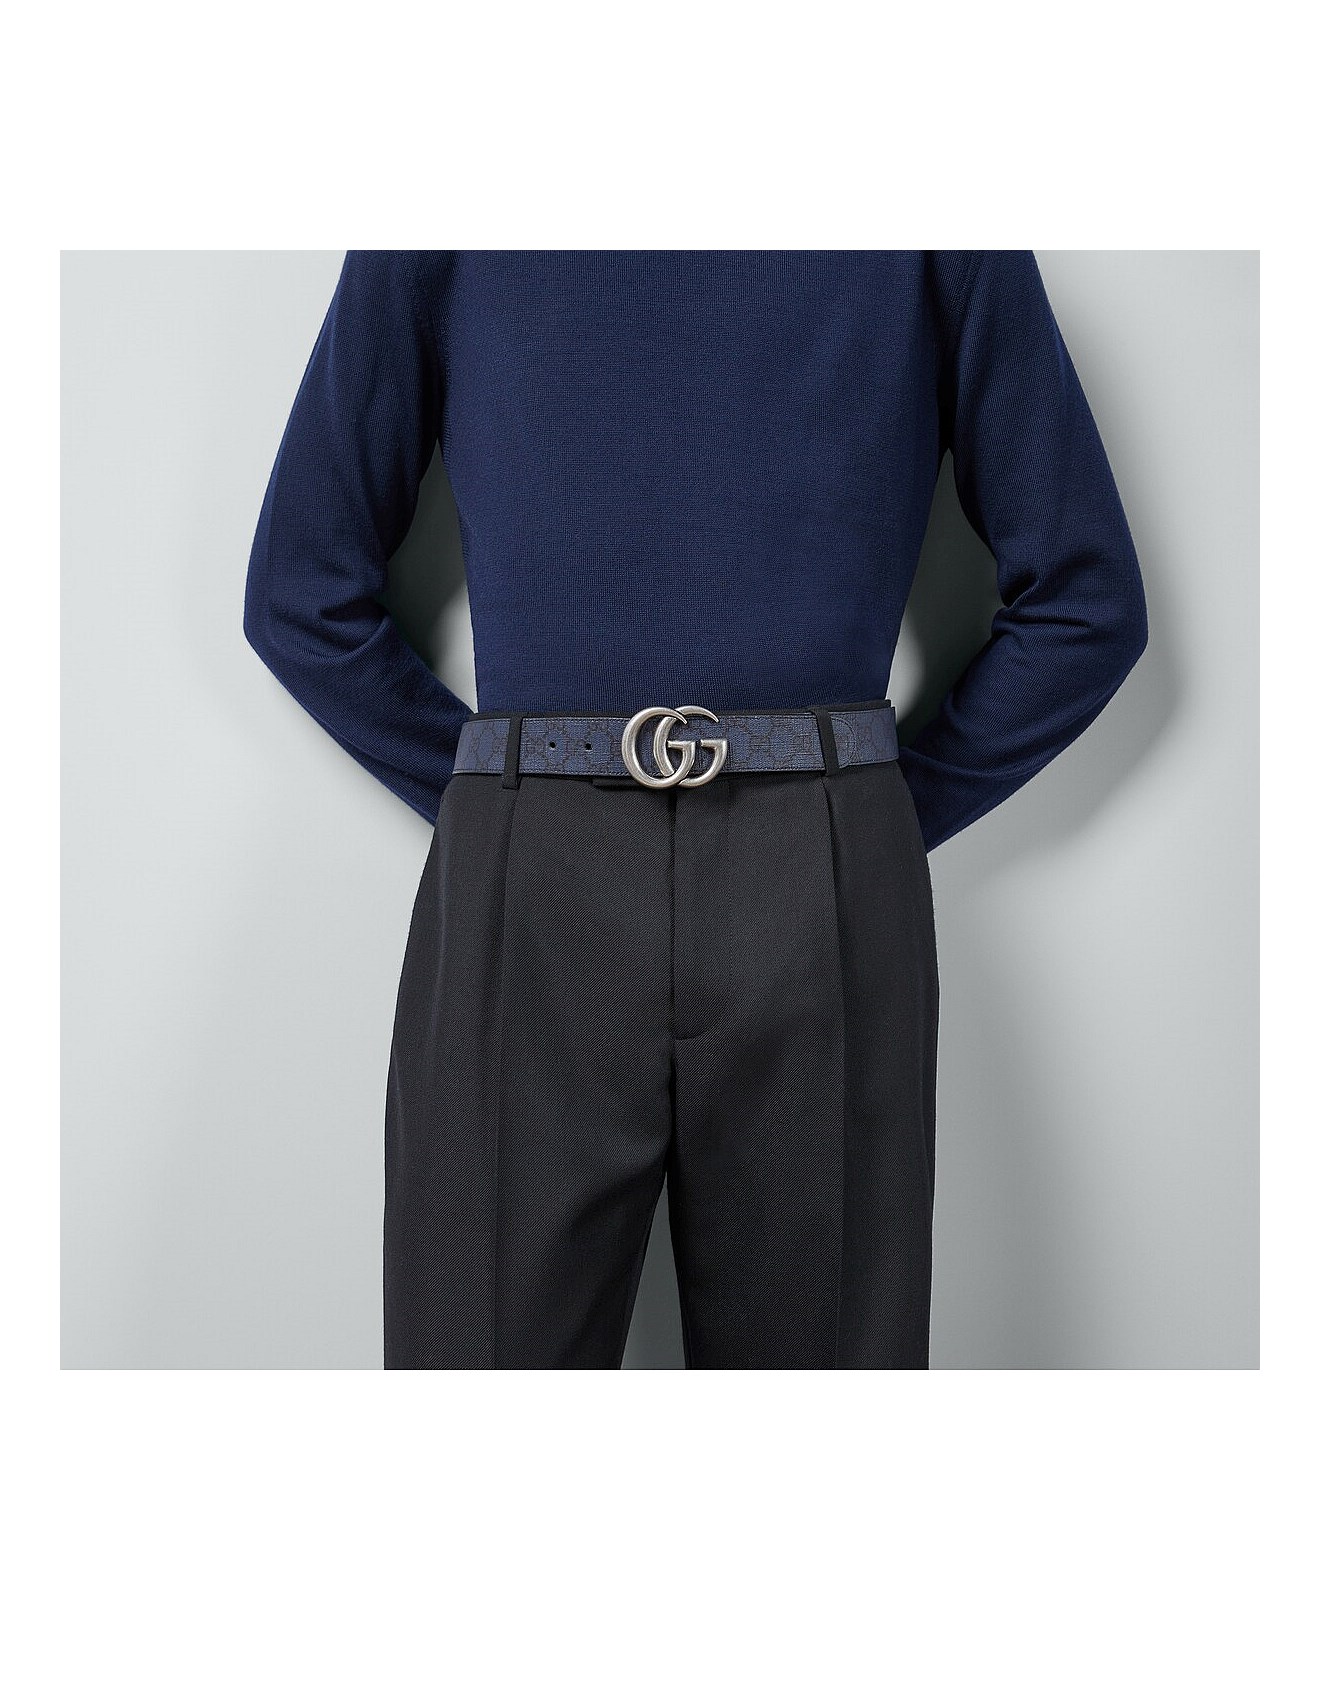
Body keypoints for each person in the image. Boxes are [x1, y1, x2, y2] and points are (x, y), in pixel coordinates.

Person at [244, 250, 1147, 1369]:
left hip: (758, 881)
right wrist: (510, 797)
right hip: (581, 888)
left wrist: (857, 816)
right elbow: (301, 589)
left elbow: (1086, 601)